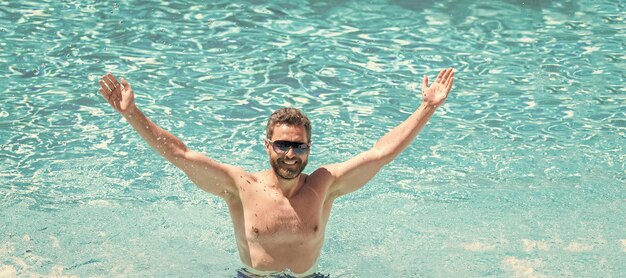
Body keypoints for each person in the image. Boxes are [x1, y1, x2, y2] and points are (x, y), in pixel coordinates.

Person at [97, 68, 455, 277]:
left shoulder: (324, 185)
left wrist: (427, 107)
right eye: (282, 145)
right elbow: (180, 153)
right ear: (267, 145)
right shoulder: (240, 186)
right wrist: (132, 114)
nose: (290, 153)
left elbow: (381, 153)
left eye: (298, 146)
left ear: (308, 149)